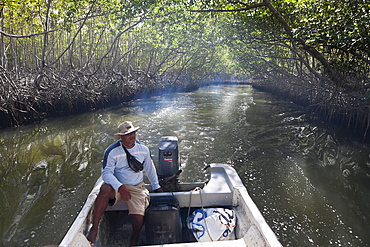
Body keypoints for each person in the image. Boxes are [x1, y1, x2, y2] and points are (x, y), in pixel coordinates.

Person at [87, 121, 163, 246]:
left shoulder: (143, 149)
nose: (132, 136)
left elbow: (150, 169)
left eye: (133, 133)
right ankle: (94, 228)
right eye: (128, 134)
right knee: (105, 188)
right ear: (121, 137)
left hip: (137, 186)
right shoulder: (112, 151)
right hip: (117, 186)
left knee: (138, 217)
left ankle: (135, 235)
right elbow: (106, 174)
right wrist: (120, 187)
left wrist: (157, 186)